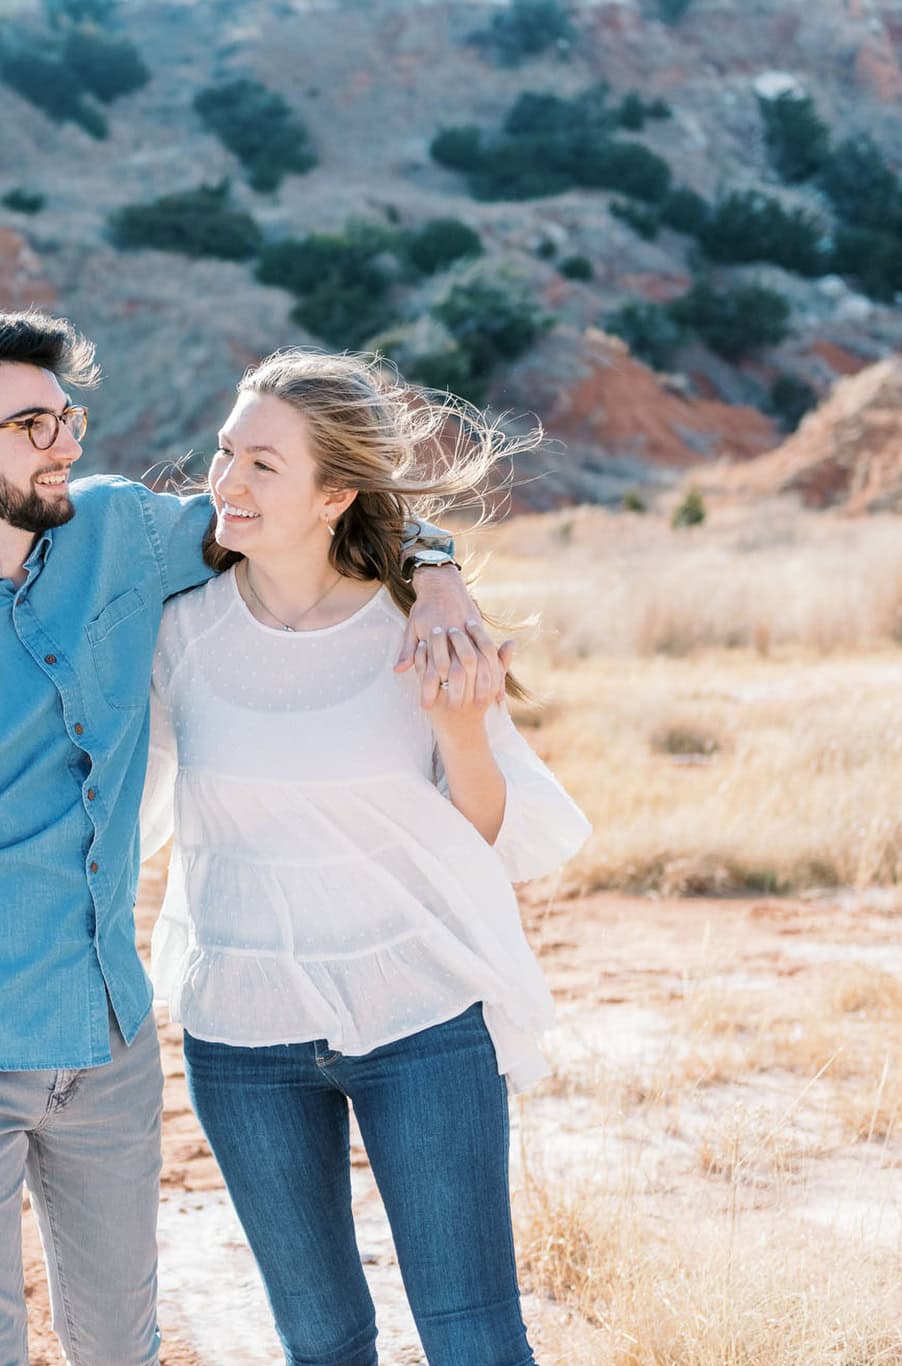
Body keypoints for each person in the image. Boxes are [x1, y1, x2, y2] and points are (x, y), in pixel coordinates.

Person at [0, 311, 499, 1365]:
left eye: (64, 415)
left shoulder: (116, 535)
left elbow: (287, 510)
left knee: (122, 1347)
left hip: (108, 1049)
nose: (65, 440)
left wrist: (432, 565)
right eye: (30, 423)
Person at [142, 348, 591, 1366]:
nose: (225, 482)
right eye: (222, 453)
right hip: (241, 1034)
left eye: (263, 464)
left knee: (472, 1332)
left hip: (416, 1019)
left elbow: (480, 835)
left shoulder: (417, 629)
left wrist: (462, 728)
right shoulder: (179, 634)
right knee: (320, 1340)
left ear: (334, 491)